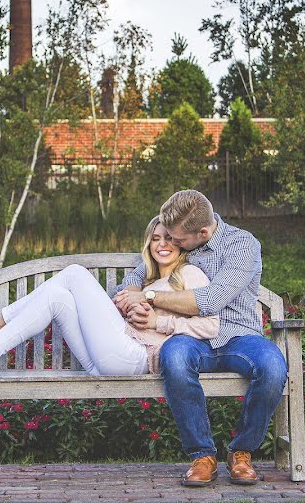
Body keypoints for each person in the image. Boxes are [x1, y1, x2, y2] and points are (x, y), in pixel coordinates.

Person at [114, 189, 288, 487]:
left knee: (273, 365)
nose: (171, 243)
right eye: (167, 236)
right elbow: (136, 277)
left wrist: (151, 296)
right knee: (175, 356)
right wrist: (133, 294)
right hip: (189, 334)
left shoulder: (242, 245)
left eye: (177, 240)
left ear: (203, 232)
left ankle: (242, 451)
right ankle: (202, 455)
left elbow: (210, 300)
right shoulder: (183, 236)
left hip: (239, 336)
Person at [0, 217, 217, 378]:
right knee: (58, 297)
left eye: (170, 239)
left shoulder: (189, 274)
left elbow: (212, 326)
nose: (162, 245)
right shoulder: (144, 281)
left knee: (74, 273)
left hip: (137, 357)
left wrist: (160, 323)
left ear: (181, 244)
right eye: (156, 238)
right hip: (103, 361)